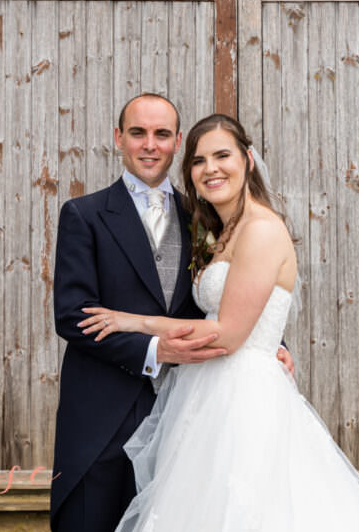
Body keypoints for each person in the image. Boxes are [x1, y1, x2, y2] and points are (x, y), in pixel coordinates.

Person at [78, 114, 359, 532]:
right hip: (205, 391)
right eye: (198, 160)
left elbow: (228, 333)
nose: (210, 169)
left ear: (248, 159)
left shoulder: (262, 230)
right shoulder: (219, 231)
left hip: (244, 397)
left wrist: (131, 321)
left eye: (222, 156)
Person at [50, 95, 293, 532]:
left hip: (191, 413)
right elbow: (73, 316)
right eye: (138, 133)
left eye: (162, 134)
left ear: (177, 141)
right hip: (103, 412)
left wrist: (273, 342)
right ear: (118, 139)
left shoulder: (204, 216)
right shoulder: (84, 215)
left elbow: (236, 295)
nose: (150, 145)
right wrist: (153, 348)